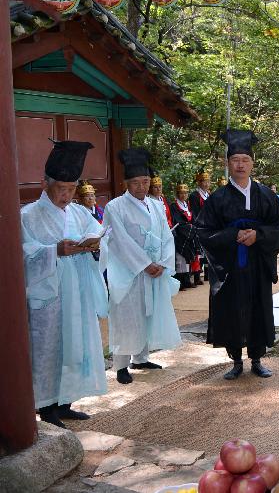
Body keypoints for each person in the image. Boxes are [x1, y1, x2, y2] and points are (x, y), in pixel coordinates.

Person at [21, 140, 109, 427]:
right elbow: (23, 252)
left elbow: (95, 231)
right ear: (45, 185)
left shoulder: (79, 211)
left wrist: (93, 243)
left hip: (78, 287)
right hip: (51, 292)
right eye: (62, 188)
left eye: (72, 190)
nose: (67, 195)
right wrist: (55, 251)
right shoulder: (28, 215)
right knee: (50, 345)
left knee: (78, 342)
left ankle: (66, 401)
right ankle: (46, 407)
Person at [195, 130, 279, 380]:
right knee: (231, 309)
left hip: (257, 264)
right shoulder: (217, 199)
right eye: (235, 160)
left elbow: (278, 227)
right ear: (227, 164)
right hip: (230, 265)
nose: (240, 165)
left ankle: (256, 358)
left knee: (258, 308)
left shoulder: (266, 195)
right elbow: (203, 230)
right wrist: (232, 235)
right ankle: (235, 360)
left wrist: (259, 236)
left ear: (252, 163)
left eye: (245, 159)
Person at [102, 148, 181, 385]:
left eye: (145, 181)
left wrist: (164, 264)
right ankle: (121, 364)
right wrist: (145, 264)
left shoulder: (156, 205)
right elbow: (119, 242)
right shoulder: (115, 207)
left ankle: (142, 357)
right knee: (127, 316)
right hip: (129, 271)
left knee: (148, 313)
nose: (141, 187)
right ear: (126, 183)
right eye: (135, 182)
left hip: (155, 269)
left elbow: (167, 236)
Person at [170, 184, 201, 291]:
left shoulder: (187, 205)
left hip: (189, 234)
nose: (183, 195)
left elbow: (193, 218)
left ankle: (187, 280)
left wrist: (193, 226)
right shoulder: (174, 206)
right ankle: (180, 282)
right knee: (180, 260)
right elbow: (177, 221)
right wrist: (189, 228)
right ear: (177, 194)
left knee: (188, 259)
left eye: (185, 193)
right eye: (181, 193)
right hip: (181, 235)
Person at [189, 169, 211, 286]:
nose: (206, 184)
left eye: (208, 181)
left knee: (208, 251)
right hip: (200, 226)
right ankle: (197, 275)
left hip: (209, 226)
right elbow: (195, 212)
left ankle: (208, 273)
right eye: (204, 181)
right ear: (199, 182)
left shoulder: (209, 194)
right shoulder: (195, 195)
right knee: (199, 252)